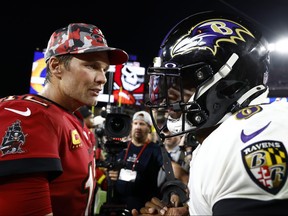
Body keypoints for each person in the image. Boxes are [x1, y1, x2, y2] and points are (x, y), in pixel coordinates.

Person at [133, 10, 288, 215]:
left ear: (228, 87)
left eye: (185, 83)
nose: (167, 97)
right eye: (167, 83)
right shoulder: (219, 139)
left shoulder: (248, 141)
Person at [0, 23, 128, 216]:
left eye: (104, 70)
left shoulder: (73, 117)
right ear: (56, 66)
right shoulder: (28, 114)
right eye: (92, 66)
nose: (102, 78)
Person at [108, 111, 163, 213]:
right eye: (135, 123)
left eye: (142, 124)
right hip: (117, 205)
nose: (138, 127)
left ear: (149, 128)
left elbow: (169, 168)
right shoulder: (121, 147)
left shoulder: (156, 150)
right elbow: (108, 168)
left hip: (143, 207)